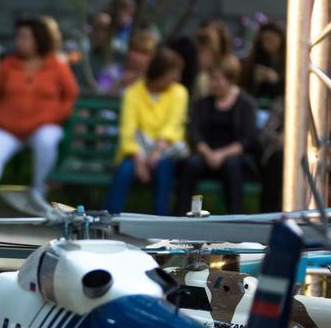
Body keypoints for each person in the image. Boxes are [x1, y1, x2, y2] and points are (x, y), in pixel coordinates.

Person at [0, 18, 79, 211]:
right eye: (18, 37)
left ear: (39, 39)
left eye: (25, 37)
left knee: (47, 140)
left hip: (43, 126)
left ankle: (39, 193)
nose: (19, 41)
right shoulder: (8, 65)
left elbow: (70, 96)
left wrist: (53, 117)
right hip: (9, 126)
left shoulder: (56, 65)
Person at [105, 47, 188, 215]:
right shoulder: (132, 93)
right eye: (174, 73)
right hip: (136, 151)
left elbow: (173, 126)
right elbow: (128, 130)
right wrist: (139, 160)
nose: (178, 78)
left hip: (164, 150)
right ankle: (109, 222)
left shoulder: (180, 92)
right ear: (162, 72)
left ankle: (160, 225)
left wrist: (157, 151)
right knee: (125, 171)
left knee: (163, 170)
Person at [176, 55, 258, 214]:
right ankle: (182, 215)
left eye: (218, 80)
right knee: (191, 164)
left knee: (232, 166)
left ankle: (235, 218)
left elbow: (248, 139)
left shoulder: (246, 104)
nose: (213, 84)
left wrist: (221, 154)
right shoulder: (203, 103)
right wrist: (208, 153)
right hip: (206, 153)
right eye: (211, 79)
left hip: (233, 156)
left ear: (231, 80)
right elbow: (195, 133)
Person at [96, 30, 157, 95]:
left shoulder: (157, 79)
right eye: (135, 51)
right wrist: (119, 83)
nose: (137, 57)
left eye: (143, 53)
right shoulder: (110, 72)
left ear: (152, 57)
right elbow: (98, 99)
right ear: (128, 51)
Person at [240, 21, 286, 101]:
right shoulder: (257, 59)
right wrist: (256, 81)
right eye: (264, 40)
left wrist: (275, 80)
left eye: (271, 39)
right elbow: (248, 90)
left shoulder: (288, 61)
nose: (268, 43)